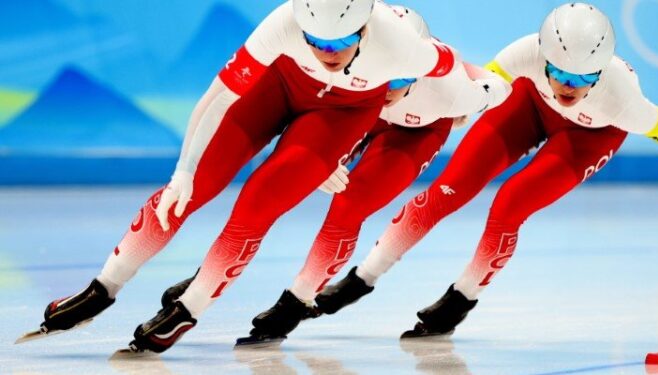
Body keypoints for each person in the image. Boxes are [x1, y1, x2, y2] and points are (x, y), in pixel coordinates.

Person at [29, 0, 458, 353]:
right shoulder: (283, 21)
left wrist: (460, 106)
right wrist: (183, 172)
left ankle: (189, 309)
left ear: (365, 30)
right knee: (193, 185)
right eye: (315, 40)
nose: (328, 51)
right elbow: (217, 98)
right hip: (279, 85)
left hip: (341, 115)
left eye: (342, 40)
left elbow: (474, 80)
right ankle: (102, 288)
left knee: (256, 204)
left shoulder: (408, 46)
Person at [312, 3, 658, 338]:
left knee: (510, 204)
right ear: (543, 57)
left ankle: (462, 297)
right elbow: (484, 82)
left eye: (583, 79)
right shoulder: (525, 53)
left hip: (591, 135)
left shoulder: (624, 102)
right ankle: (364, 277)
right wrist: (466, 105)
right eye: (560, 73)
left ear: (600, 74)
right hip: (529, 104)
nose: (568, 87)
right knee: (450, 188)